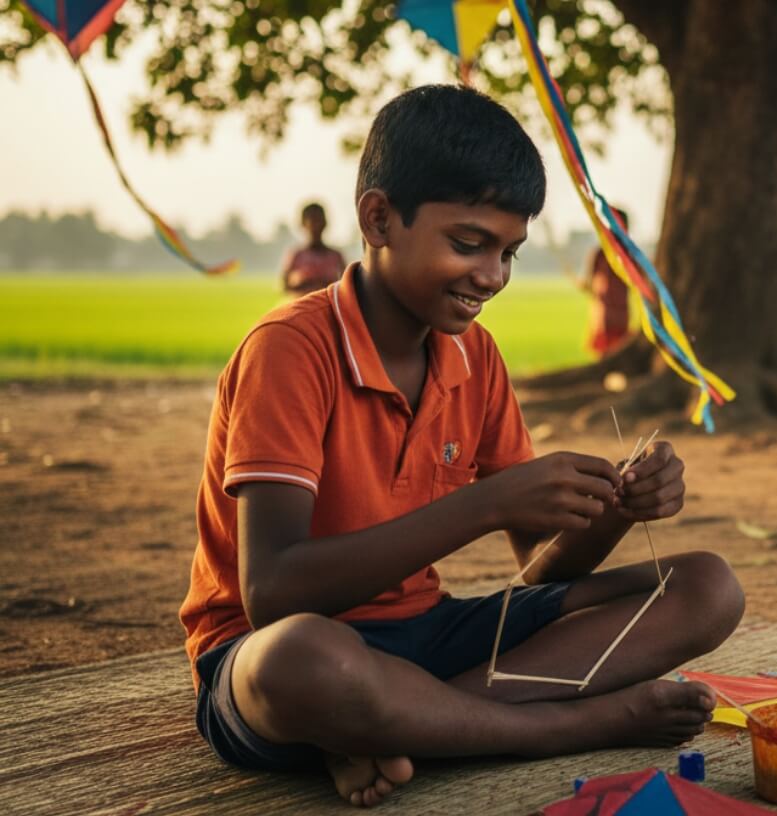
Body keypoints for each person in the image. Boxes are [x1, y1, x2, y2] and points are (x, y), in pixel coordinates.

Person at [180, 85, 744, 808]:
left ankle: (402, 725)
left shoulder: (474, 358)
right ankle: (549, 727)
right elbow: (272, 594)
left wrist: (615, 508)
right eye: (468, 244)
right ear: (378, 219)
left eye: (509, 252)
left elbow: (537, 574)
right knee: (303, 661)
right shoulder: (290, 350)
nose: (492, 276)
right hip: (278, 660)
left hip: (428, 637)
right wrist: (487, 504)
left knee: (707, 587)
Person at [581, 207, 632, 358]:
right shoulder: (600, 254)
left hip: (621, 315)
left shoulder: (629, 254)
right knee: (603, 356)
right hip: (603, 316)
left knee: (619, 355)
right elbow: (590, 281)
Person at [281, 202, 346, 297]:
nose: (316, 225)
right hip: (303, 307)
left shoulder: (336, 256)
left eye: (319, 220)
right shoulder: (297, 255)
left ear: (325, 223)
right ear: (303, 224)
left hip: (329, 308)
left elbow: (346, 286)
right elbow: (284, 286)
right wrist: (305, 285)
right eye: (312, 220)